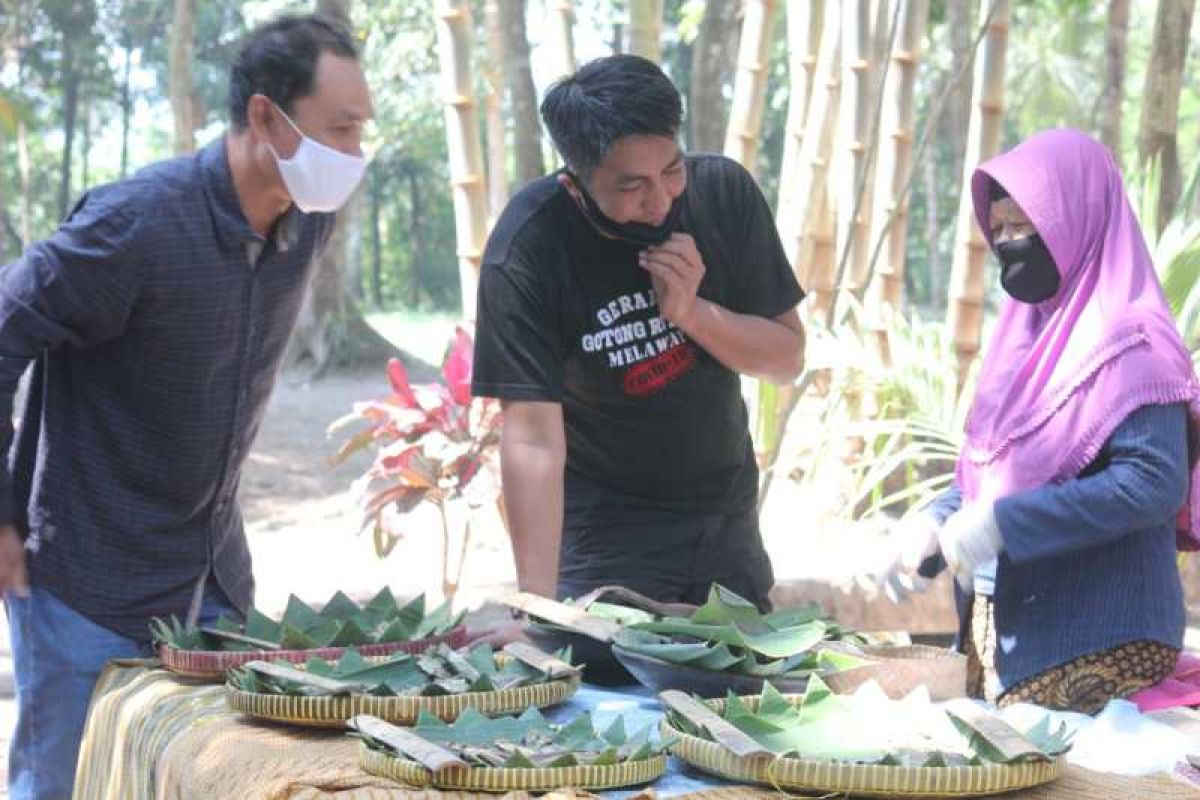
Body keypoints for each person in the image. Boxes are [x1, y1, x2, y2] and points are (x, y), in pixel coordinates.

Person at [0, 14, 372, 798]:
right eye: (339, 129)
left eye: (360, 130)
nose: (354, 154)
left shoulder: (309, 220)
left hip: (215, 586)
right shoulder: (133, 225)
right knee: (64, 785)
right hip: (87, 582)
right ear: (266, 116)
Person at [471, 55, 806, 612]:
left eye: (671, 170)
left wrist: (692, 312)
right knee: (606, 694)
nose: (661, 199)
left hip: (725, 521)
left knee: (736, 691)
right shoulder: (530, 246)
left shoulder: (722, 194)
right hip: (605, 533)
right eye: (632, 186)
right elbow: (531, 437)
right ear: (575, 184)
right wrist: (536, 608)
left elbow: (786, 357)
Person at [885, 128, 1193, 714]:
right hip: (1007, 643)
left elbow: (1151, 484)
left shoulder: (1135, 341)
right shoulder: (1021, 339)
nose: (1008, 243)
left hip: (1102, 640)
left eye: (1024, 225)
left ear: (1074, 220)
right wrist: (934, 520)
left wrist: (1005, 523)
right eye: (997, 229)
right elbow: (990, 472)